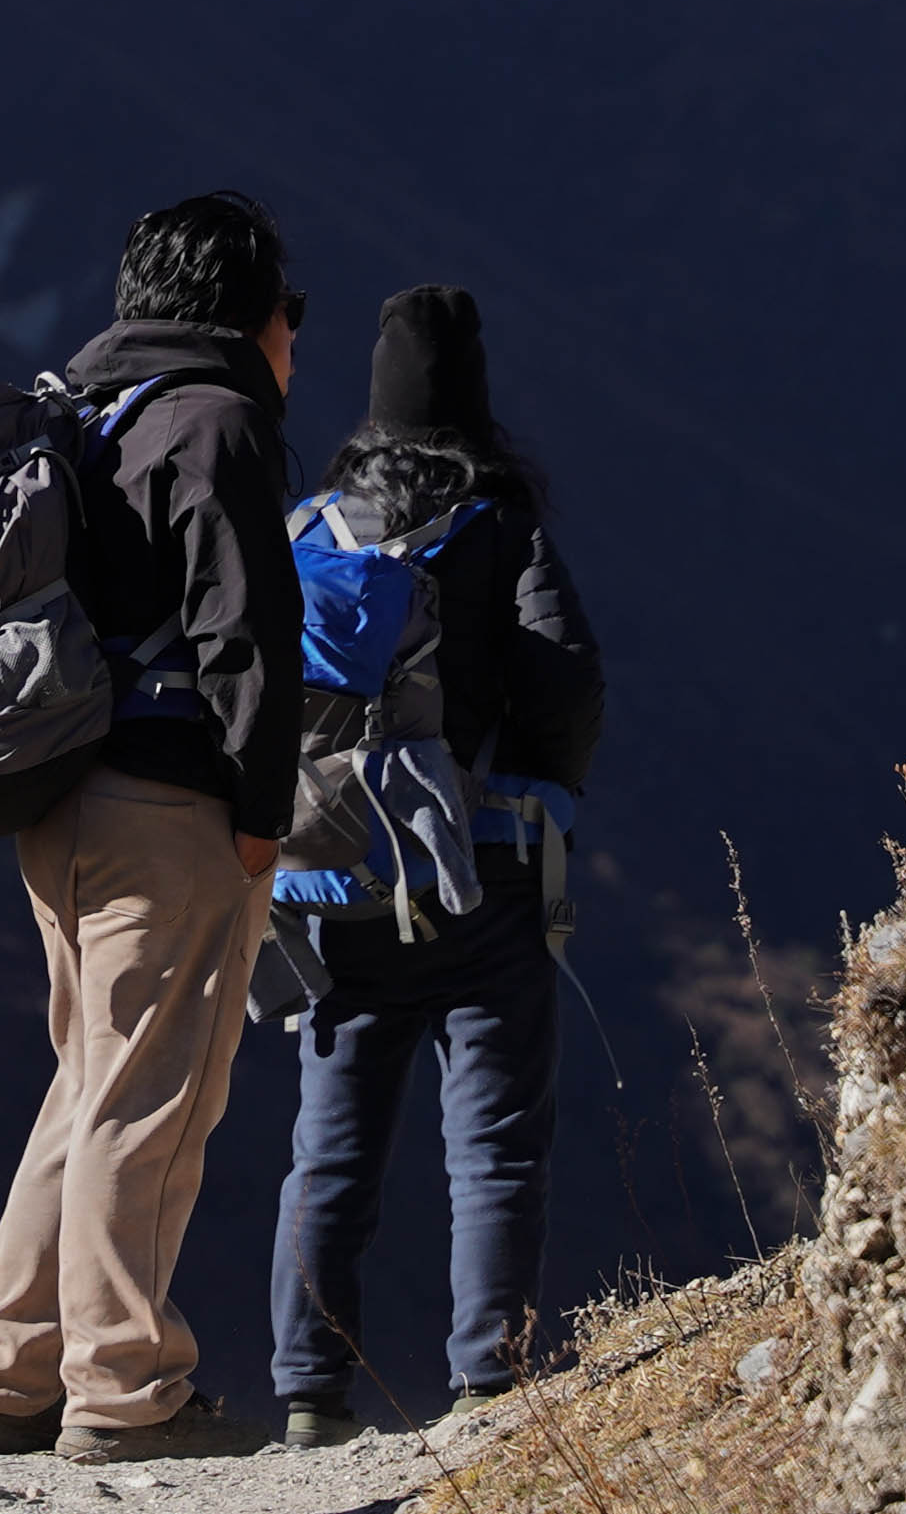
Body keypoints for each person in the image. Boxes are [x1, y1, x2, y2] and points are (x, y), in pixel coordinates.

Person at [0, 190, 308, 1467]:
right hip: (171, 805)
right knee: (149, 1100)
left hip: (56, 794)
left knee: (87, 1084)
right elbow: (250, 638)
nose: (294, 338)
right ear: (247, 310)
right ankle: (125, 1388)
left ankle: (6, 1371)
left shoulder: (85, 412)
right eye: (290, 311)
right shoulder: (217, 424)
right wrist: (264, 815)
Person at [263, 284, 602, 1443]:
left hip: (329, 876)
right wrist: (538, 788)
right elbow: (565, 679)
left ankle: (309, 1390)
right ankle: (485, 1383)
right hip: (481, 872)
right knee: (494, 1143)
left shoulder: (306, 526)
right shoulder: (500, 523)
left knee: (330, 1150)